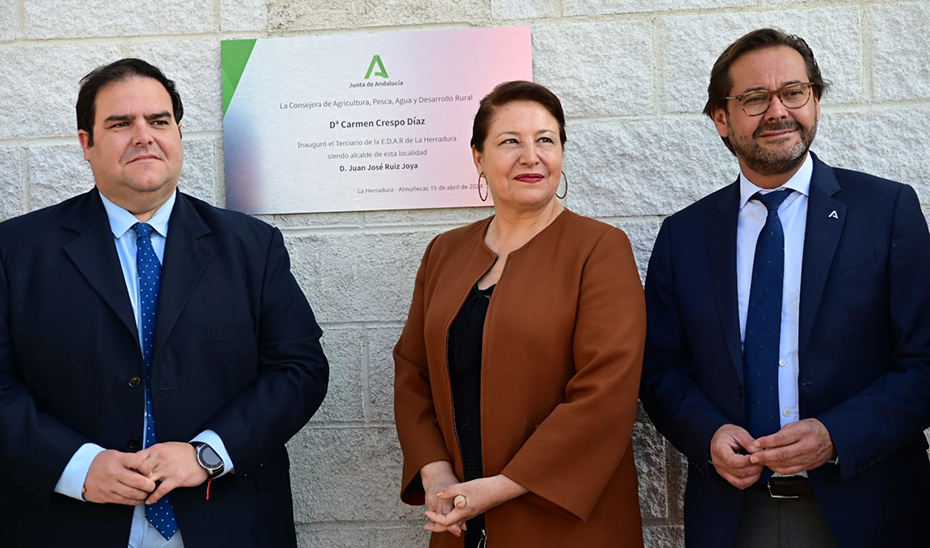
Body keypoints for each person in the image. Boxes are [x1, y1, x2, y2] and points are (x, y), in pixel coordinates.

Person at [0, 58, 329, 548]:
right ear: (85, 143)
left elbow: (298, 369)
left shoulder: (251, 246)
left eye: (159, 121)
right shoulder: (17, 251)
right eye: (119, 123)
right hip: (69, 522)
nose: (143, 136)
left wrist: (208, 454)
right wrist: (76, 465)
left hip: (229, 520)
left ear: (177, 134)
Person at [639, 28, 930, 548]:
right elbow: (660, 370)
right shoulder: (683, 235)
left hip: (870, 508)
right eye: (754, 98)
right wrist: (707, 435)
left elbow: (924, 361)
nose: (777, 111)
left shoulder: (887, 211)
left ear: (815, 101)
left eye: (793, 92)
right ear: (721, 119)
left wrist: (836, 435)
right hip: (733, 516)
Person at [393, 80, 646, 547]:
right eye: (510, 141)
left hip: (565, 522)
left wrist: (500, 488)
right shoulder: (443, 252)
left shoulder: (599, 248)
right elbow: (412, 371)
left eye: (545, 140)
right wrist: (435, 473)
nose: (531, 156)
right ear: (478, 158)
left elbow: (606, 391)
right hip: (456, 520)